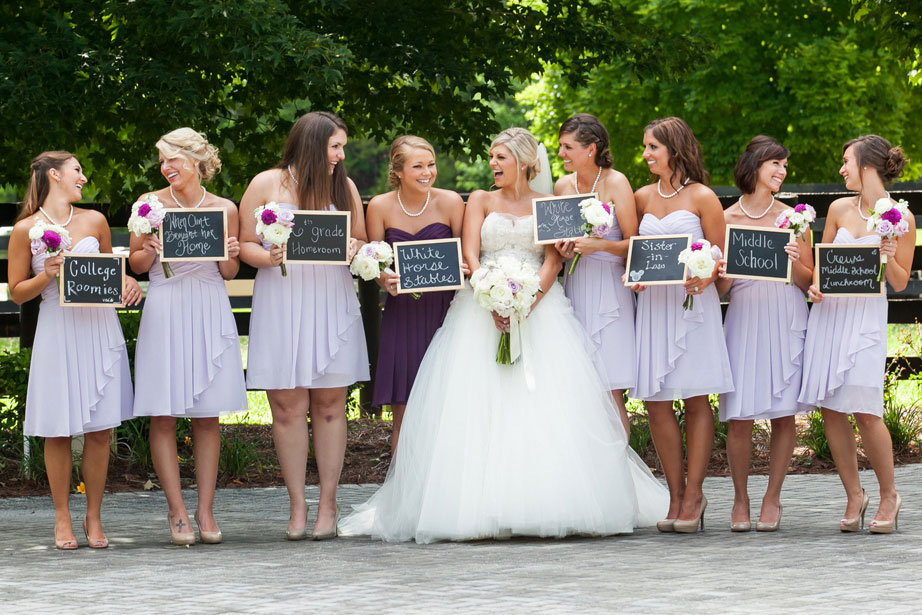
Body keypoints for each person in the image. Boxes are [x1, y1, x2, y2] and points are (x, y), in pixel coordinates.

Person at [339, 127, 668, 543]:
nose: (492, 164)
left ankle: (543, 502)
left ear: (526, 163)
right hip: (481, 309)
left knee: (542, 406)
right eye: (491, 157)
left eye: (501, 158)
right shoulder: (478, 200)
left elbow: (553, 261)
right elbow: (470, 253)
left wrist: (528, 302)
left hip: (540, 310)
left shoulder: (551, 204)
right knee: (475, 405)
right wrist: (491, 295)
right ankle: (474, 505)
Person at [239, 111, 369, 540]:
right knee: (287, 407)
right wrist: (268, 256)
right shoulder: (265, 184)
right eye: (335, 146)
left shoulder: (342, 186)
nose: (341, 154)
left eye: (342, 147)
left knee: (331, 405)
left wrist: (355, 247)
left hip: (330, 299)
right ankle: (297, 504)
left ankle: (328, 504)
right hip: (282, 298)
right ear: (313, 143)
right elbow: (243, 244)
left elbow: (362, 241)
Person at [8, 151, 142, 549]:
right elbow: (16, 293)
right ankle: (62, 516)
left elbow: (108, 277)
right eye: (77, 170)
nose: (84, 177)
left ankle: (94, 515)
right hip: (56, 330)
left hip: (98, 328)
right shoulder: (25, 230)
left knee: (101, 429)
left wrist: (127, 284)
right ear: (55, 174)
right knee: (58, 430)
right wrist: (45, 276)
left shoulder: (95, 221)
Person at [130, 128, 248, 545]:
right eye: (162, 160)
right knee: (163, 412)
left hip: (209, 304)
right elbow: (139, 265)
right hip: (166, 305)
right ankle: (177, 511)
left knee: (207, 412)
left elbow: (230, 273)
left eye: (173, 159)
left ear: (196, 161)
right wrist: (149, 246)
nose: (166, 167)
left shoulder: (224, 208)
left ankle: (206, 509)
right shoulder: (149, 205)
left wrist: (229, 253)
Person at [798, 135, 913, 533]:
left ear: (866, 165)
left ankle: (889, 494)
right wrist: (813, 285)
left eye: (846, 161)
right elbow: (822, 266)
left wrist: (886, 252)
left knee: (866, 409)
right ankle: (853, 494)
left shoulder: (902, 217)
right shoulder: (838, 209)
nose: (842, 169)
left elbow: (898, 282)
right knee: (831, 407)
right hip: (830, 316)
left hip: (865, 319)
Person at [629, 117, 733, 533]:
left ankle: (694, 492)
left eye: (652, 147)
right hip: (654, 306)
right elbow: (632, 254)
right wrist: (632, 276)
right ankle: (672, 494)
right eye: (644, 147)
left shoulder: (703, 197)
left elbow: (724, 267)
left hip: (693, 309)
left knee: (695, 398)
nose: (646, 155)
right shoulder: (638, 198)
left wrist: (707, 277)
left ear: (674, 148)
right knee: (655, 402)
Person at [715, 136, 813, 532]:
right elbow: (719, 290)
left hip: (785, 315)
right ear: (755, 164)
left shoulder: (795, 218)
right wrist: (725, 272)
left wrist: (795, 264)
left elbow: (809, 284)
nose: (782, 171)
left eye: (785, 166)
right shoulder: (725, 219)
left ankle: (773, 498)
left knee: (783, 414)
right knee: (739, 416)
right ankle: (740, 499)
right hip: (743, 316)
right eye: (776, 163)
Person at [366, 136, 465, 454]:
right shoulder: (380, 206)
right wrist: (384, 278)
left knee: (448, 408)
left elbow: (466, 254)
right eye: (418, 166)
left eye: (431, 164)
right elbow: (374, 260)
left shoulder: (451, 202)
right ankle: (402, 496)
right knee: (404, 412)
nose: (427, 172)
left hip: (445, 315)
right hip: (402, 315)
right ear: (398, 171)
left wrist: (463, 266)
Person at [553, 113, 638, 433]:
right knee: (579, 384)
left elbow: (633, 243)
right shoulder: (562, 186)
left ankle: (618, 467)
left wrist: (598, 246)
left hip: (610, 290)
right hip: (575, 287)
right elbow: (557, 244)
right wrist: (563, 251)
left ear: (591, 148)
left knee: (610, 386)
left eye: (567, 147)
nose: (560, 154)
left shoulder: (617, 182)